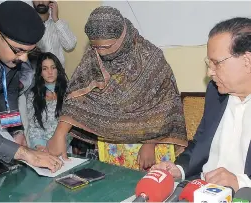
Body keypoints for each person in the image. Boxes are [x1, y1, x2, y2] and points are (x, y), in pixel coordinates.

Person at [47, 6, 187, 170]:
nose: (101, 53)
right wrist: (60, 133)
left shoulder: (151, 58)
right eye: (96, 47)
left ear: (122, 37)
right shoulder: (94, 55)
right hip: (112, 147)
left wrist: (150, 144)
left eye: (106, 47)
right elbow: (78, 96)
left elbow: (166, 104)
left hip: (150, 145)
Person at [151, 17, 251, 191]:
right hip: (198, 189)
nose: (209, 72)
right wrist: (180, 169)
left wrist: (241, 183)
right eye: (208, 63)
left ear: (247, 61)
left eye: (216, 63)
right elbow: (200, 144)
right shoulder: (216, 92)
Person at [0, 1, 63, 173]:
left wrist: (16, 130)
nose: (24, 59)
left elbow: (6, 91)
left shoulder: (8, 55)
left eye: (28, 52)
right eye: (19, 50)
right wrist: (23, 153)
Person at [27, 52, 69, 150]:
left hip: (66, 147)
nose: (50, 72)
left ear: (58, 70)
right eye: (45, 69)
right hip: (42, 148)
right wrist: (41, 147)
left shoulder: (69, 92)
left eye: (53, 67)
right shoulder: (33, 95)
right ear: (40, 72)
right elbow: (33, 127)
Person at [32, 0, 77, 68]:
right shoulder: (27, 24)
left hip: (58, 75)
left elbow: (70, 45)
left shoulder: (59, 24)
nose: (41, 2)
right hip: (36, 76)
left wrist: (56, 19)